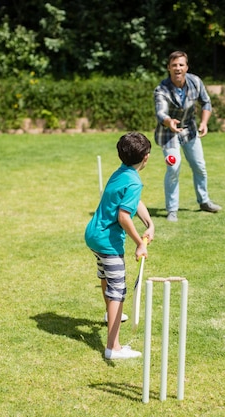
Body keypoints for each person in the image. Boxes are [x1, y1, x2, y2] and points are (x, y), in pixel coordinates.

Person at [85, 132, 155, 360]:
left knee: (106, 275)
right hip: (108, 241)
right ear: (146, 157)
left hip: (94, 234)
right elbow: (124, 216)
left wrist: (149, 223)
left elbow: (134, 201)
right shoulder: (134, 180)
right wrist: (139, 244)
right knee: (118, 291)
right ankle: (112, 348)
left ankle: (110, 315)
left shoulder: (122, 173)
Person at [154, 50, 221, 222]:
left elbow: (206, 102)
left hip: (190, 131)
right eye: (174, 65)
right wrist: (170, 122)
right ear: (168, 68)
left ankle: (204, 201)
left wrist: (204, 123)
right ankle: (172, 210)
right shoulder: (161, 89)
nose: (178, 68)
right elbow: (161, 113)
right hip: (168, 134)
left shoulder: (195, 81)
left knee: (199, 166)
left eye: (181, 65)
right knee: (173, 168)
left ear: (186, 67)